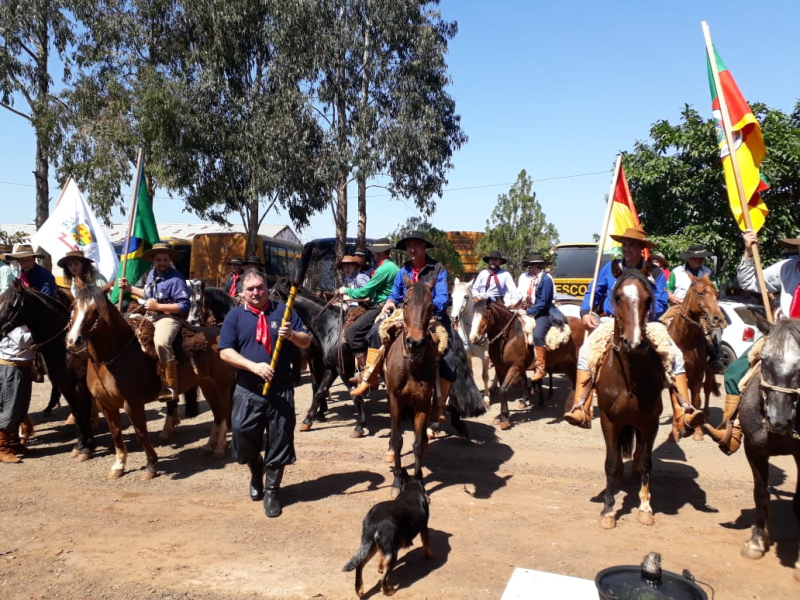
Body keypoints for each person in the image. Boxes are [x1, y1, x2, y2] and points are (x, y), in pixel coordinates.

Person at [562, 226, 702, 437]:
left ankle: (684, 411)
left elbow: (661, 302)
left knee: (675, 354)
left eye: (632, 245)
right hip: (612, 322)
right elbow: (594, 292)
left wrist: (642, 313)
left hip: (648, 322)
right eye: (624, 245)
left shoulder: (654, 272)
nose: (627, 249)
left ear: (641, 248)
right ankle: (581, 406)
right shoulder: (609, 268)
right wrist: (585, 312)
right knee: (585, 352)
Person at [218, 268, 310, 518]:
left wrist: (292, 335)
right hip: (247, 389)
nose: (256, 292)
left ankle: (271, 491)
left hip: (280, 389)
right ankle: (256, 470)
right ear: (242, 292)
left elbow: (306, 341)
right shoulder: (235, 316)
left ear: (267, 288)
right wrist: (253, 366)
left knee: (280, 439)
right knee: (242, 436)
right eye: (250, 289)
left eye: (260, 287)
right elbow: (225, 352)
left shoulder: (283, 311)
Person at [705, 230, 800, 454]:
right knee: (734, 372)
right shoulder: (786, 268)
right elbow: (749, 281)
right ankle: (733, 428)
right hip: (782, 335)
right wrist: (748, 251)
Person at [350, 230, 455, 422]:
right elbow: (395, 294)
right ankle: (370, 375)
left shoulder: (438, 269)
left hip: (432, 315)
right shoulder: (403, 271)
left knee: (449, 357)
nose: (412, 249)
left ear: (425, 247)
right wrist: (390, 302)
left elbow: (442, 297)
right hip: (405, 315)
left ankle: (439, 403)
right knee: (375, 331)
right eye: (409, 246)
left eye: (416, 245)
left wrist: (426, 305)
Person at [119, 243, 190, 402]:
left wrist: (158, 307)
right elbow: (148, 293)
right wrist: (129, 288)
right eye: (159, 260)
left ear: (170, 260)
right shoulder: (152, 274)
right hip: (151, 315)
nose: (162, 263)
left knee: (161, 342)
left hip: (169, 317)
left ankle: (170, 386)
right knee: (125, 331)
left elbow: (184, 305)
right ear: (152, 260)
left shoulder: (176, 279)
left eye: (165, 260)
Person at [340, 239, 399, 380]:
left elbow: (364, 292)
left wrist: (345, 291)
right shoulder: (391, 266)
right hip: (381, 304)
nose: (373, 254)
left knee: (352, 332)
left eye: (374, 252)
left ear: (379, 252)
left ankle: (367, 374)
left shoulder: (384, 269)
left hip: (381, 306)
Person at [666, 244, 723, 372]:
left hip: (702, 312)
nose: (700, 260)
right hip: (677, 308)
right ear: (690, 258)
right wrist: (671, 297)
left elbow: (715, 291)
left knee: (716, 328)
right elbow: (668, 289)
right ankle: (660, 357)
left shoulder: (708, 272)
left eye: (702, 258)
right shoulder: (676, 272)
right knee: (660, 326)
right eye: (697, 258)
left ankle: (714, 358)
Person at [514, 253, 553, 382]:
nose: (530, 269)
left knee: (537, 335)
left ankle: (541, 368)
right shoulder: (536, 279)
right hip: (532, 310)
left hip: (544, 313)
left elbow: (543, 303)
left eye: (531, 266)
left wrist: (527, 312)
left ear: (537, 266)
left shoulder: (546, 280)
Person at [0, 323, 35, 463]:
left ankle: (14, 443)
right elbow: (22, 341)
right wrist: (43, 329)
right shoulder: (11, 320)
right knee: (10, 408)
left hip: (23, 365)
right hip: (11, 367)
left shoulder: (23, 320)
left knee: (21, 407)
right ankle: (2, 447)